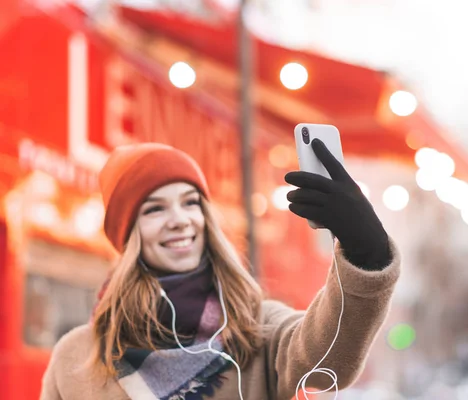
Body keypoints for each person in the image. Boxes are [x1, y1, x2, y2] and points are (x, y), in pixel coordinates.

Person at [40, 140, 401, 400]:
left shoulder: (257, 328)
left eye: (190, 202)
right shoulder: (77, 357)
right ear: (127, 233)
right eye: (154, 209)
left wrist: (364, 252)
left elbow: (330, 361)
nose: (179, 220)